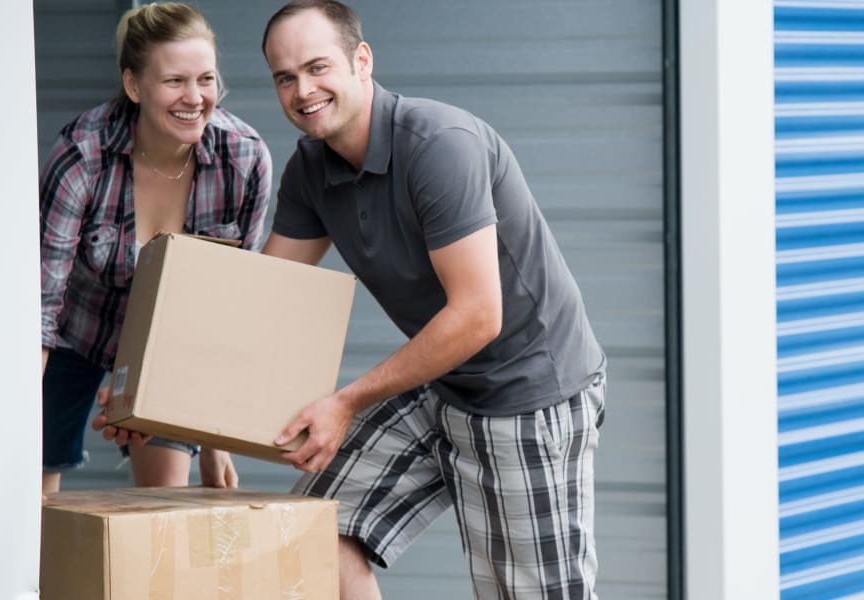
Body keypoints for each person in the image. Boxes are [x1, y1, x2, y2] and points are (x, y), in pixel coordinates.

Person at [259, 1, 607, 597]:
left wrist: (344, 402)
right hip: (445, 383)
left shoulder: (438, 145)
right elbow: (259, 294)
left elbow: (478, 316)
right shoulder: (311, 169)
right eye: (285, 77)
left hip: (525, 390)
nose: (303, 90)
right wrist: (150, 390)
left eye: (318, 67)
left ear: (361, 60)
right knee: (315, 531)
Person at [41, 2, 272, 495]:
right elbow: (40, 306)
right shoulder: (82, 156)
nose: (194, 98)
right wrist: (21, 424)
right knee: (30, 494)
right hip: (69, 333)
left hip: (168, 344)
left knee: (165, 501)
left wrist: (214, 439)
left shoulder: (244, 159)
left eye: (206, 79)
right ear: (133, 86)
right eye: (174, 82)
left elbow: (229, 303)